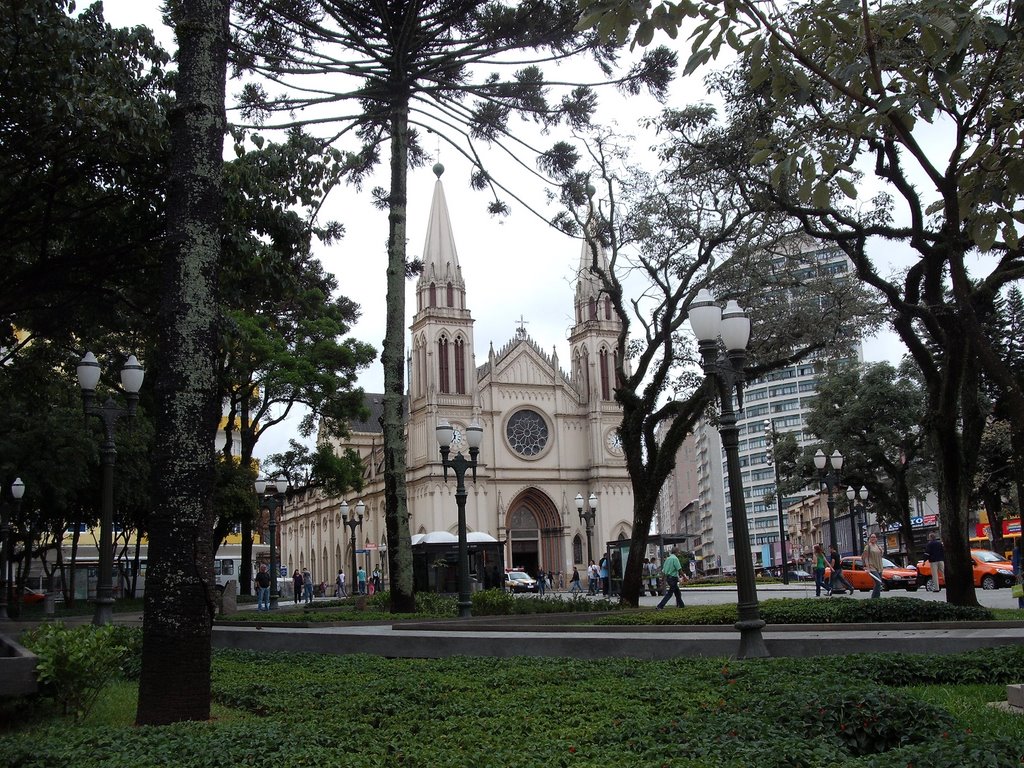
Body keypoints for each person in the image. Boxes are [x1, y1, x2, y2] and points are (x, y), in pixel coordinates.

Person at [862, 533, 885, 599]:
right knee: (878, 582)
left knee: (878, 583)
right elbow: (865, 557)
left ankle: (877, 597)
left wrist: (881, 551)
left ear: (876, 539)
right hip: (872, 567)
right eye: (871, 537)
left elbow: (881, 556)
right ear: (869, 538)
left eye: (874, 537)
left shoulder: (878, 546)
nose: (873, 538)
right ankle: (874, 598)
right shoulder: (868, 547)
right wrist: (867, 567)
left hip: (879, 566)